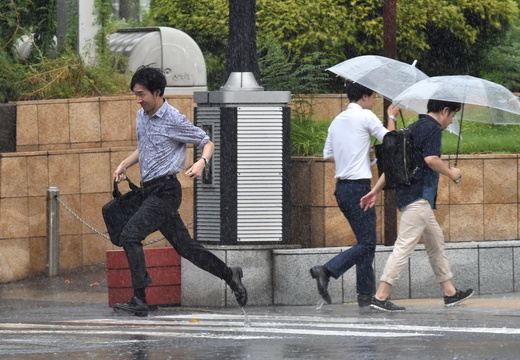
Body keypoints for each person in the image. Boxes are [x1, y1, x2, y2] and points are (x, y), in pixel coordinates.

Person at [111, 66, 247, 317]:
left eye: (142, 94)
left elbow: (206, 141)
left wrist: (201, 162)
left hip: (166, 191)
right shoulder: (142, 116)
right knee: (186, 248)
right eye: (135, 94)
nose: (138, 100)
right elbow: (146, 146)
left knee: (130, 235)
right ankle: (230, 274)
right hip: (150, 191)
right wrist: (124, 164)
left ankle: (140, 299)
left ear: (158, 92)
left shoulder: (173, 118)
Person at [360, 99, 474, 312]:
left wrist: (374, 191)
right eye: (452, 116)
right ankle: (380, 296)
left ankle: (449, 292)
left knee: (435, 242)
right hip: (418, 198)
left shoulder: (414, 127)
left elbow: (395, 164)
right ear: (444, 111)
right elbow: (431, 159)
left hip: (412, 197)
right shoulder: (431, 129)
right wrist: (453, 174)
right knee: (404, 246)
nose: (451, 122)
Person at [310, 82, 398, 307]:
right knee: (367, 244)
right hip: (359, 189)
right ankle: (327, 270)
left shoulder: (337, 120)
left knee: (364, 242)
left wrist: (359, 155)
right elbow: (390, 141)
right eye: (374, 97)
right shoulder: (366, 116)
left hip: (342, 189)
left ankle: (365, 295)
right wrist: (392, 117)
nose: (374, 101)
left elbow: (328, 155)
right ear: (366, 97)